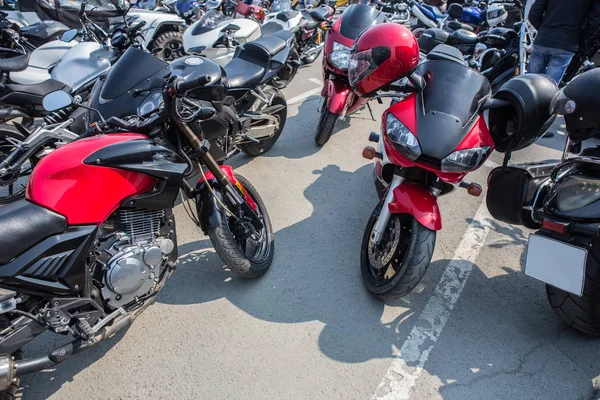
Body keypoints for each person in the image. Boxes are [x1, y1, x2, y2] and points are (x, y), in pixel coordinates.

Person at [528, 0, 594, 85]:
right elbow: (593, 22)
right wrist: (579, 38)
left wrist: (543, 30)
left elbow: (534, 13)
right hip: (567, 42)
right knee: (550, 86)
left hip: (544, 38)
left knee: (530, 82)